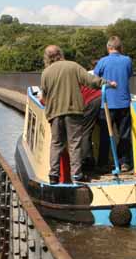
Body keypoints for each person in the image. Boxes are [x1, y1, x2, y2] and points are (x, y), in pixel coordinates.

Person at [40, 45, 115, 184]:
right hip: (73, 111)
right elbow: (90, 80)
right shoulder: (73, 66)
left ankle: (53, 176)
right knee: (74, 143)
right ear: (60, 54)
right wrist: (108, 83)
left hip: (55, 113)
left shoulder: (46, 73)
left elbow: (44, 95)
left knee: (56, 144)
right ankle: (77, 175)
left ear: (47, 57)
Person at [94, 36, 133, 172]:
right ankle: (124, 162)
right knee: (124, 134)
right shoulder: (127, 60)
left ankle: (103, 163)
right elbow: (128, 75)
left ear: (108, 47)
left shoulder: (102, 61)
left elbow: (95, 78)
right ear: (120, 47)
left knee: (105, 135)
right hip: (123, 103)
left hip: (106, 104)